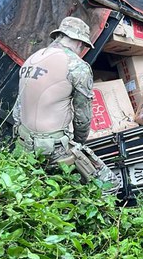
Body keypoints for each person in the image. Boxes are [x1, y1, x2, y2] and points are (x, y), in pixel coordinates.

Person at [13, 16, 118, 192]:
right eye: (83, 46)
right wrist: (78, 143)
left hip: (23, 144)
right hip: (53, 149)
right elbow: (82, 116)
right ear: (79, 42)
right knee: (110, 186)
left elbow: (18, 108)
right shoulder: (77, 66)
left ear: (59, 36)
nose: (82, 49)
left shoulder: (31, 59)